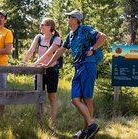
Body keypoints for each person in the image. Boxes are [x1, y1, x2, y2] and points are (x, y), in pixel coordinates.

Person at [40, 10, 106, 139]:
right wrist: (49, 63)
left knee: (87, 98)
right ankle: (91, 125)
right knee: (75, 99)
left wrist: (93, 49)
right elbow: (60, 51)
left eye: (69, 17)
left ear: (76, 19)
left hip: (88, 65)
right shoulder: (70, 35)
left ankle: (86, 131)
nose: (67, 19)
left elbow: (103, 37)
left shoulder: (86, 29)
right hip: (78, 67)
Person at [21, 18, 61, 128]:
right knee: (38, 95)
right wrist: (24, 61)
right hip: (39, 71)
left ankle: (53, 122)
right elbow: (30, 50)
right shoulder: (38, 37)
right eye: (40, 24)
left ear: (49, 27)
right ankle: (40, 120)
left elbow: (48, 54)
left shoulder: (56, 39)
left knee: (51, 96)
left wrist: (34, 63)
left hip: (51, 70)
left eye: (42, 24)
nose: (40, 26)